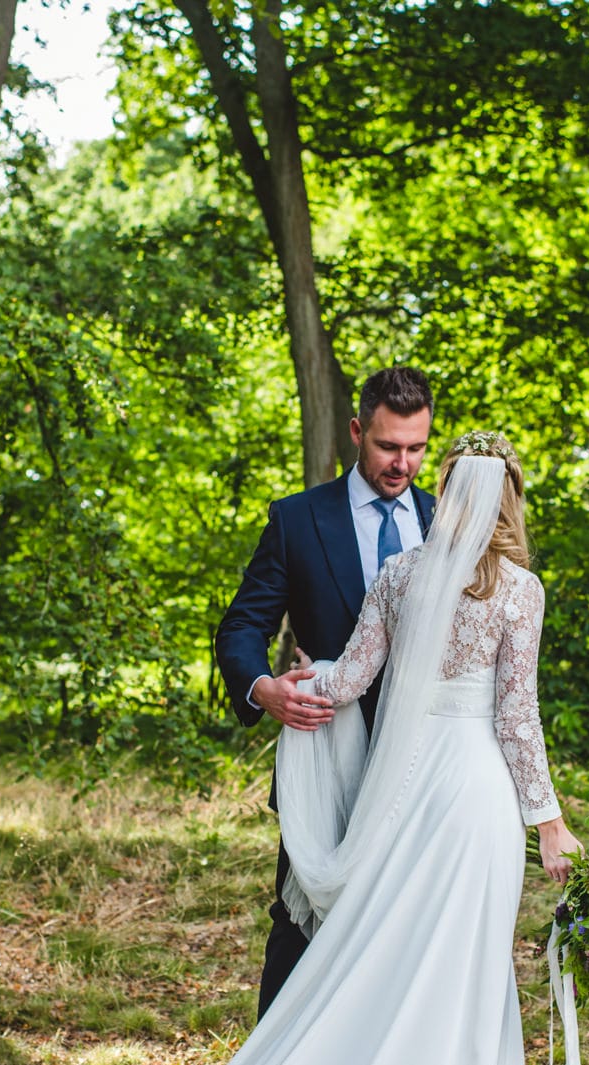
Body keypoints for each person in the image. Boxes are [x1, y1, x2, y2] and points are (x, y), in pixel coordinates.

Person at [38, 431, 588, 1065]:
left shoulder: (402, 577)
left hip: (402, 794)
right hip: (475, 795)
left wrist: (300, 683)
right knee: (464, 963)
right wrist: (547, 819)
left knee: (388, 953)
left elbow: (350, 679)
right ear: (511, 496)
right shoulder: (521, 590)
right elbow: (516, 719)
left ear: (448, 486)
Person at [213, 366, 439, 1017]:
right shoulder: (297, 519)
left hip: (420, 765)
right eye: (387, 446)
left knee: (403, 930)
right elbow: (242, 627)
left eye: (416, 448)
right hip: (322, 754)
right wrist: (264, 688)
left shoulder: (444, 520)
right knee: (300, 924)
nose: (403, 463)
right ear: (355, 431)